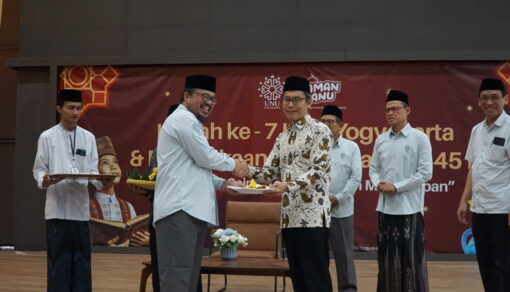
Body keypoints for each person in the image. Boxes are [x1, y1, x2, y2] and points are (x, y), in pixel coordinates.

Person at [235, 76, 334, 292]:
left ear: (309, 102)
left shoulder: (320, 130)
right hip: (289, 218)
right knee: (298, 280)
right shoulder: (283, 136)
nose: (290, 105)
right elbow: (269, 173)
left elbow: (318, 171)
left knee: (316, 281)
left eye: (296, 99)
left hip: (312, 218)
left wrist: (286, 186)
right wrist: (245, 170)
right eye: (286, 100)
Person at [153, 75, 245, 292]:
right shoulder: (182, 120)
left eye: (213, 99)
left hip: (190, 213)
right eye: (204, 96)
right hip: (179, 212)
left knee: (187, 279)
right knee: (177, 280)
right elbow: (205, 156)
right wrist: (236, 164)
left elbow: (197, 169)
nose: (209, 103)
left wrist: (224, 185)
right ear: (186, 96)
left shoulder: (191, 123)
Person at [33, 89, 113, 292]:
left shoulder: (88, 137)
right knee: (58, 261)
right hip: (57, 210)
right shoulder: (47, 137)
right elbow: (39, 169)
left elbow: (93, 171)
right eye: (70, 108)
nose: (75, 112)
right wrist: (46, 179)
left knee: (81, 262)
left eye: (78, 108)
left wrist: (103, 181)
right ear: (59, 108)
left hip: (80, 211)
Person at [369, 89, 432, 292]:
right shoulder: (381, 140)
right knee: (386, 259)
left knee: (411, 260)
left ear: (408, 110)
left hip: (409, 209)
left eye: (395, 109)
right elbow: (373, 169)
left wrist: (397, 186)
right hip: (385, 209)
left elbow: (425, 173)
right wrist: (378, 183)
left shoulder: (419, 138)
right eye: (387, 109)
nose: (390, 113)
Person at [456, 78, 510, 292]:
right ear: (478, 101)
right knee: (486, 264)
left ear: (505, 100)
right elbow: (473, 168)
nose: (489, 102)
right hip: (480, 208)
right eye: (485, 98)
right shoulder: (476, 130)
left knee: (506, 265)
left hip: (502, 209)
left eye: (495, 97)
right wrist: (463, 201)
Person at [320, 105, 361, 292]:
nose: (326, 125)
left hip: (341, 210)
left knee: (344, 255)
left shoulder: (351, 147)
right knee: (318, 256)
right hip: (316, 211)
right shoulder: (313, 147)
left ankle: (348, 289)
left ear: (341, 125)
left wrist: (338, 198)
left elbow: (355, 178)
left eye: (331, 121)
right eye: (323, 121)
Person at [89, 135, 142, 246]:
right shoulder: (86, 206)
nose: (113, 167)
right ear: (95, 171)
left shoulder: (128, 207)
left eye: (115, 162)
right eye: (105, 163)